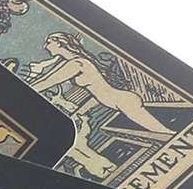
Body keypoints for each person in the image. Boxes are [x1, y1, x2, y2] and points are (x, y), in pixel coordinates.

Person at [27, 32, 171, 136]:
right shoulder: (73, 61)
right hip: (120, 101)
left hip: (124, 102)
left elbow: (47, 82)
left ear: (59, 43)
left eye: (49, 42)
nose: (46, 47)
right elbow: (46, 77)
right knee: (162, 134)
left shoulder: (76, 64)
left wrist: (21, 93)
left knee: (164, 134)